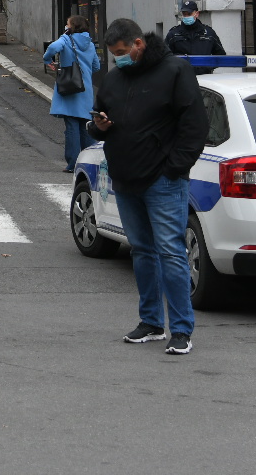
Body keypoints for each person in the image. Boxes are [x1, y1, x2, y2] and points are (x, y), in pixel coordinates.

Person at [87, 18, 208, 356]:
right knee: (141, 251)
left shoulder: (175, 71)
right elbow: (98, 121)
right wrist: (98, 127)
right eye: (113, 54)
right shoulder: (114, 79)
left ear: (138, 44)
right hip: (126, 180)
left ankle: (181, 329)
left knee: (170, 252)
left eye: (121, 51)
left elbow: (195, 126)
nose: (118, 58)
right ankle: (152, 322)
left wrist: (174, 169)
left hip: (163, 181)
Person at [44, 16, 103, 172]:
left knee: (71, 126)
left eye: (67, 24)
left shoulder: (66, 39)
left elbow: (52, 48)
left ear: (72, 27)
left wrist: (47, 59)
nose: (65, 26)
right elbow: (96, 66)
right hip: (85, 89)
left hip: (69, 87)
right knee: (85, 125)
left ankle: (73, 163)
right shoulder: (90, 44)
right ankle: (89, 162)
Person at [164, 0, 224, 75]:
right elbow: (164, 57)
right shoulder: (173, 34)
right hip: (181, 77)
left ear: (197, 14)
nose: (186, 17)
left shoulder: (209, 33)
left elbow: (221, 56)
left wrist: (207, 67)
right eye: (184, 14)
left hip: (204, 77)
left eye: (189, 14)